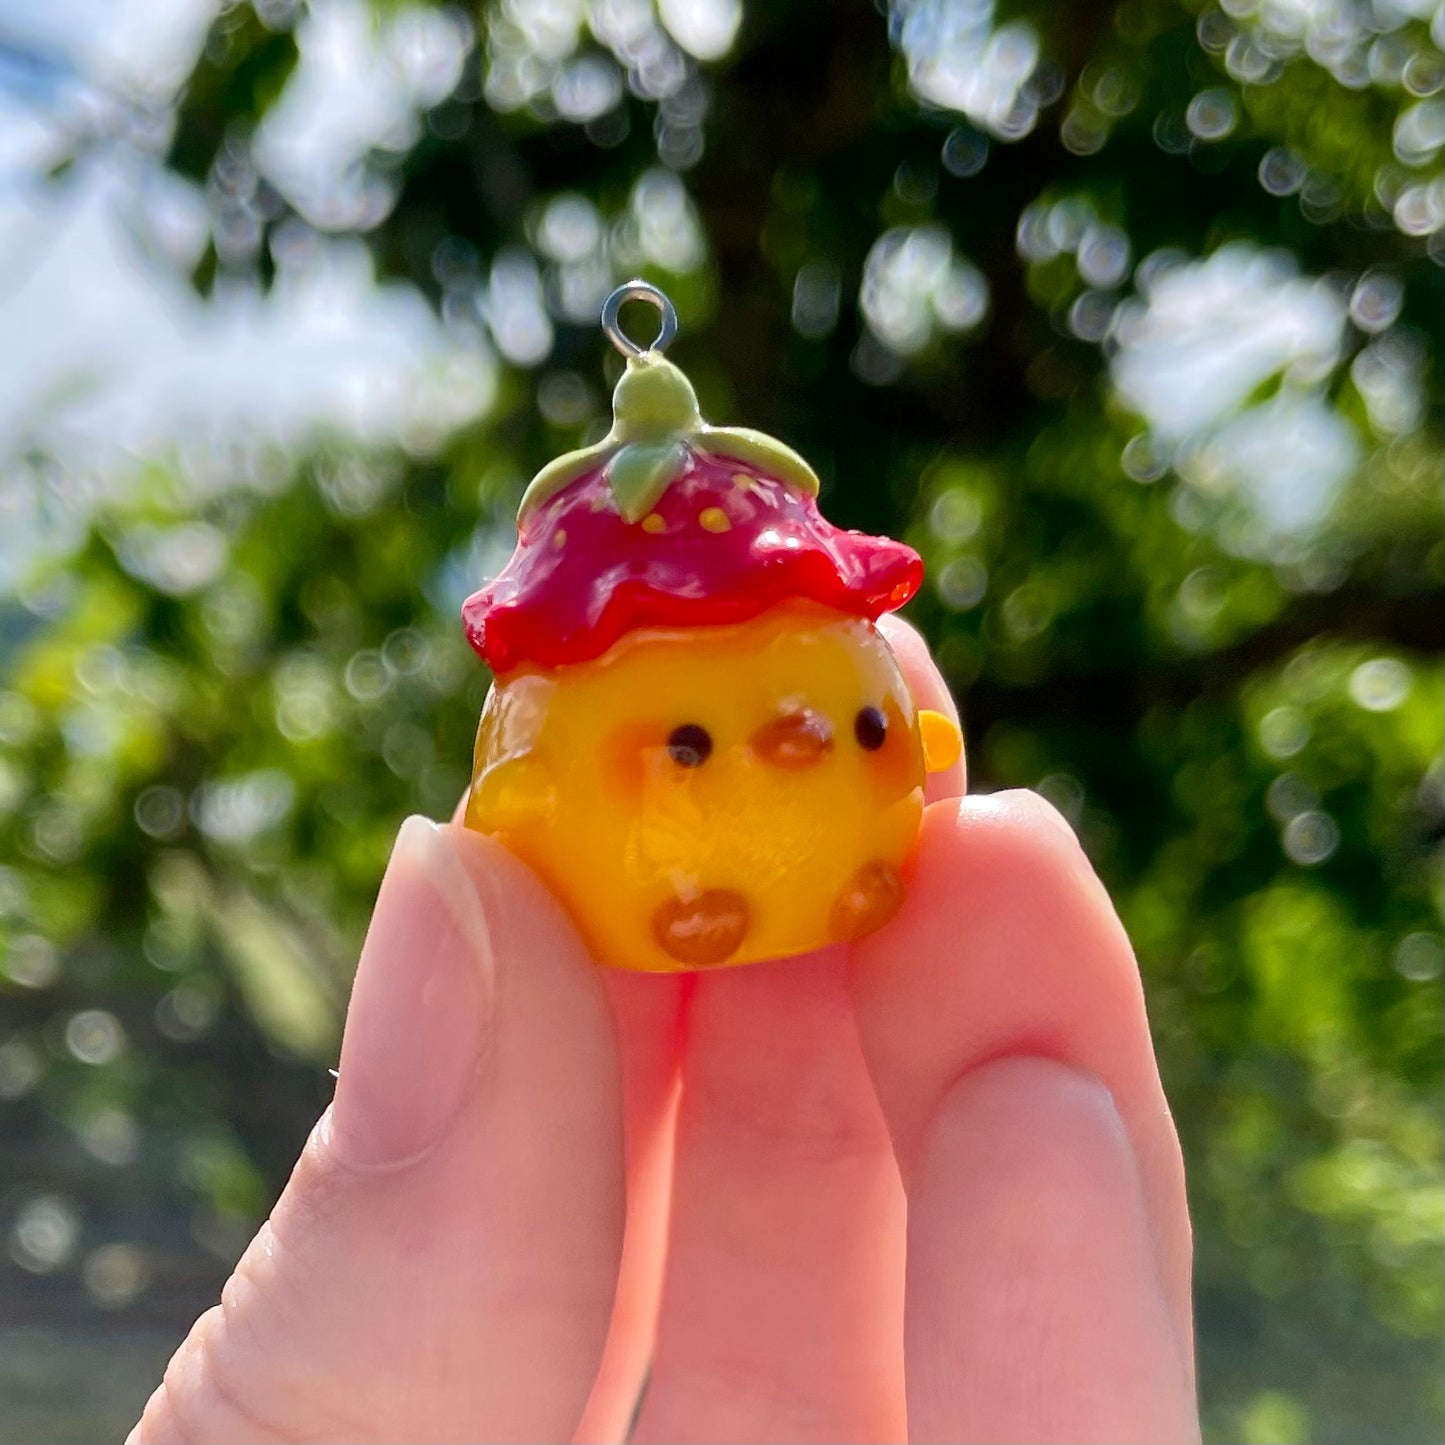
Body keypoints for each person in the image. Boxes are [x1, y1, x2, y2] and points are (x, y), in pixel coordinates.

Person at [128, 618, 1199, 1444]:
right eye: (685, 750)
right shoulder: (580, 715)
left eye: (869, 732)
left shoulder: (738, 682)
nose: (775, 753)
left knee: (1026, 1141)